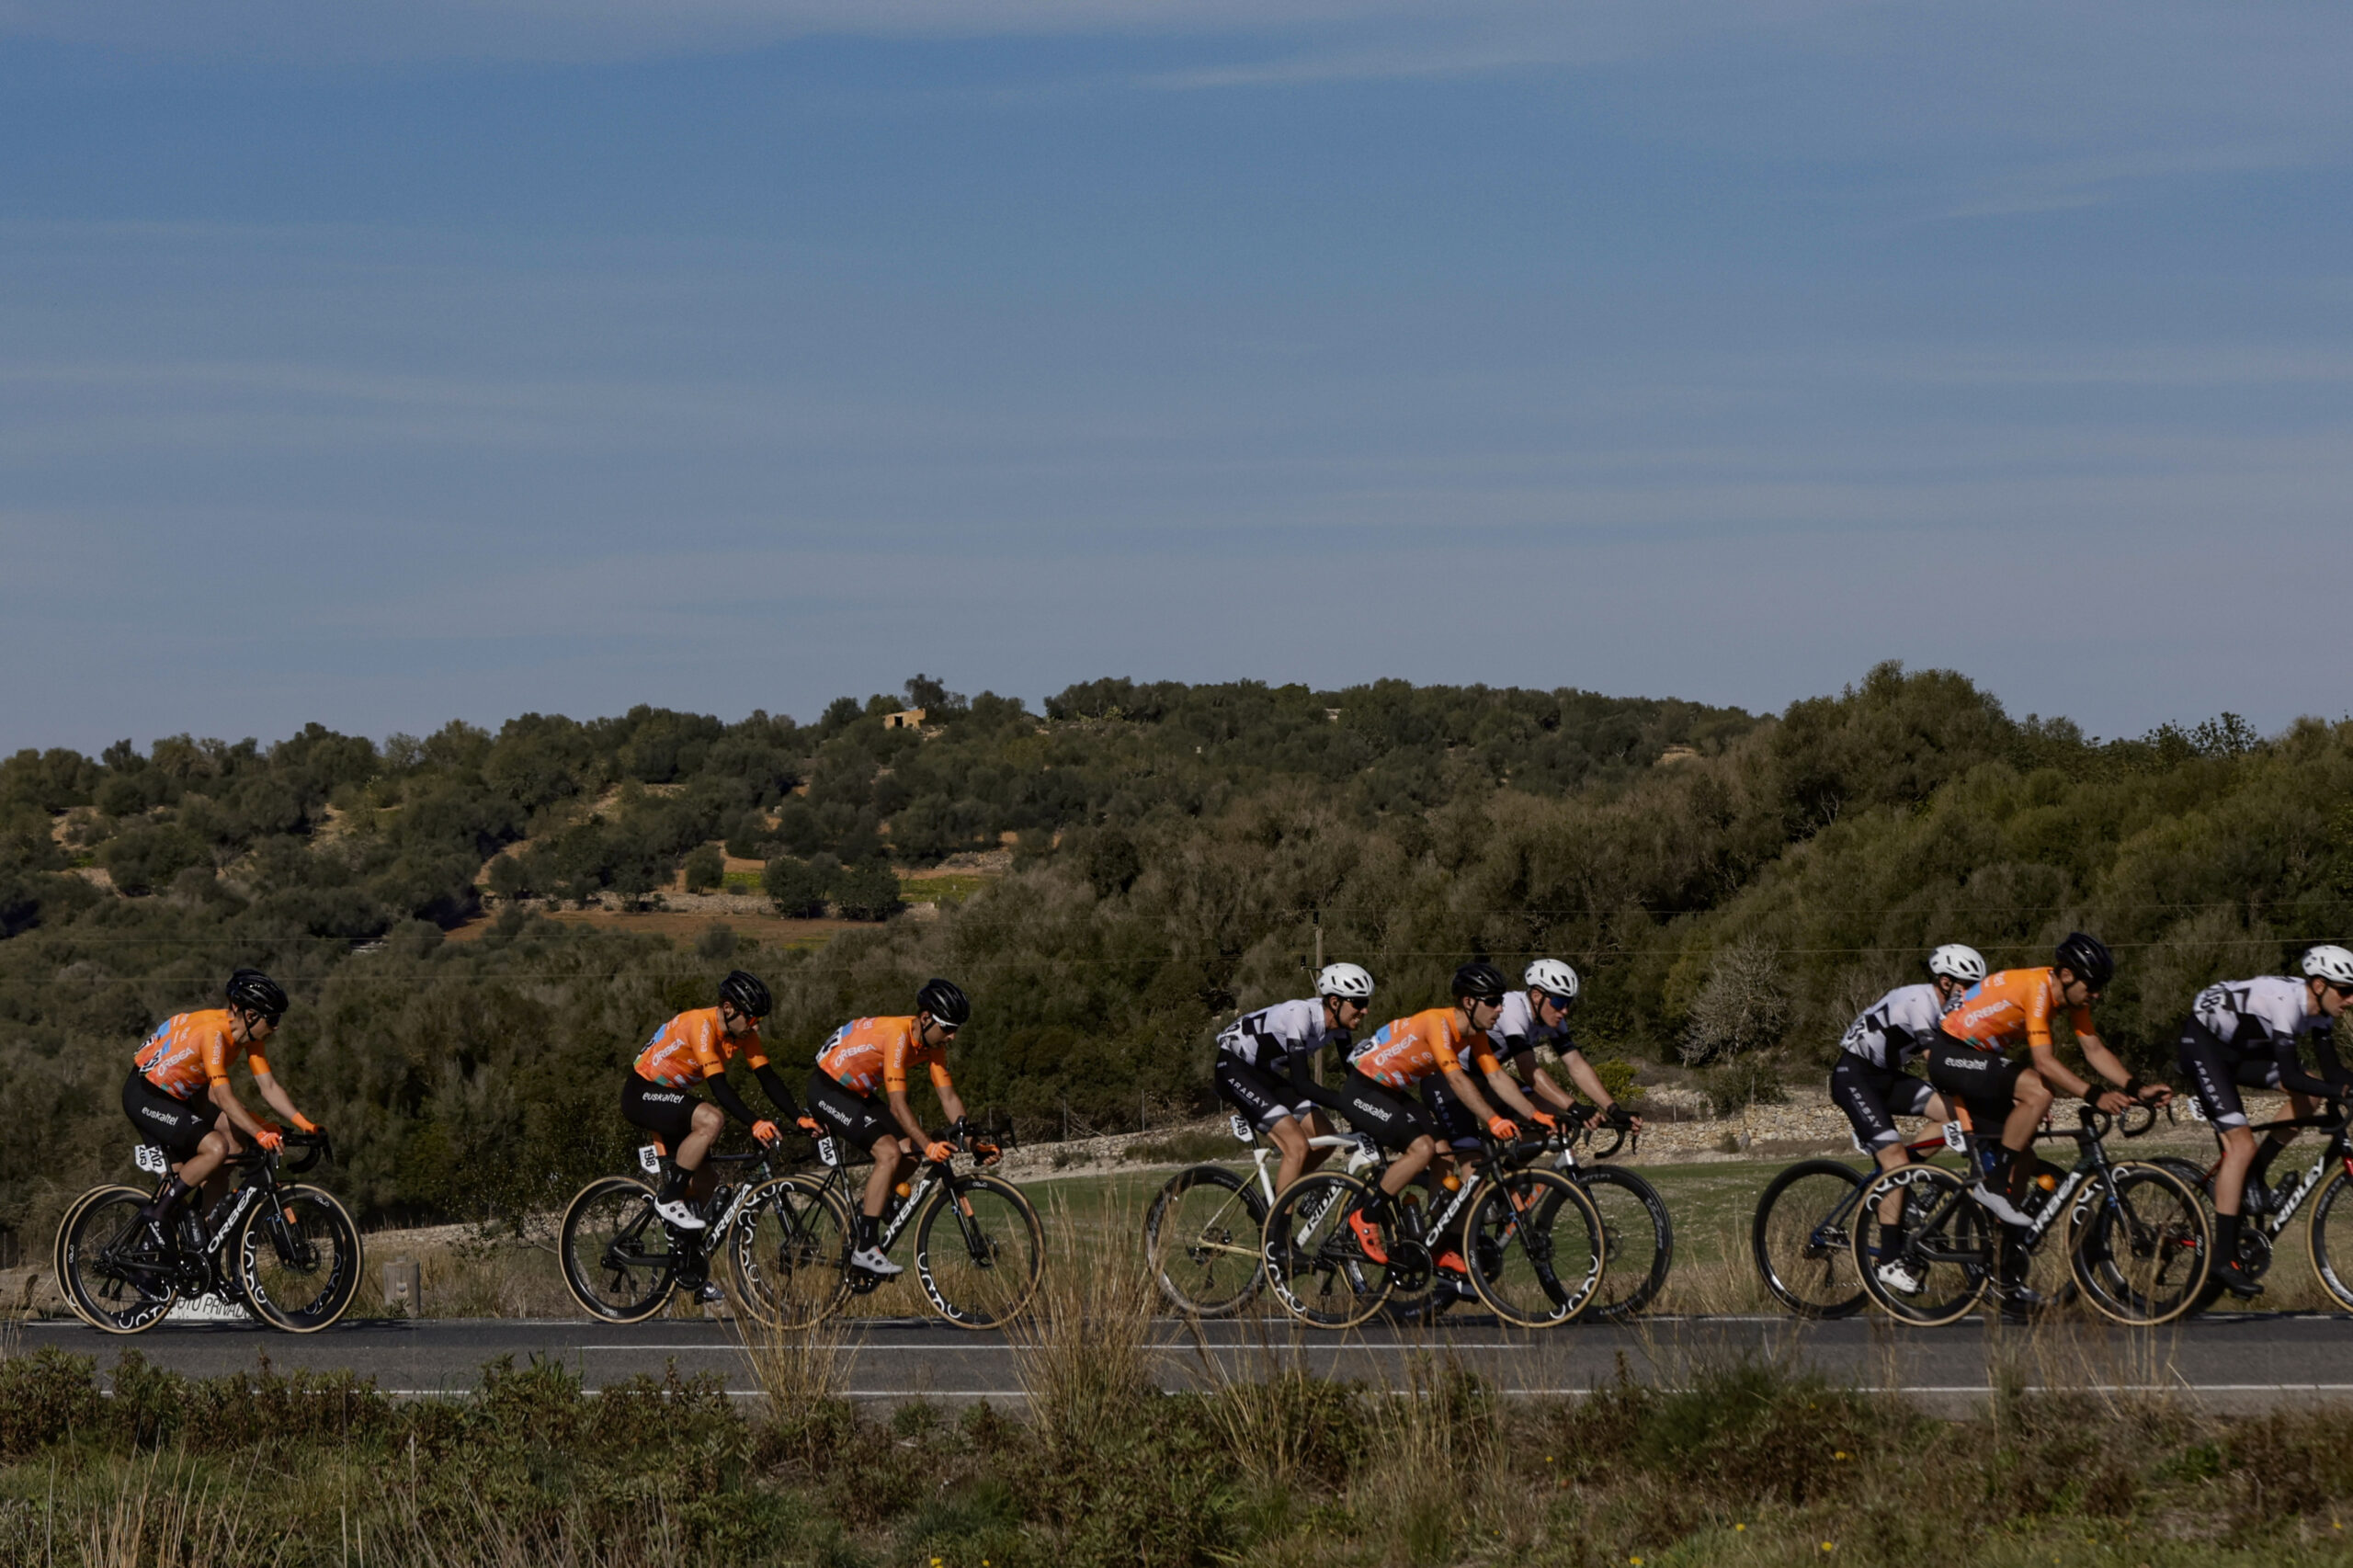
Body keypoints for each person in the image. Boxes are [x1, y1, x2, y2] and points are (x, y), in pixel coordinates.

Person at [1925, 933, 2169, 1309]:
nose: (2098, 995)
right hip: (1951, 1054)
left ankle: (2002, 1265)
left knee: (2024, 1159)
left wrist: (2136, 1087)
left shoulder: (2072, 995)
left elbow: (2093, 1048)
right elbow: (2045, 1063)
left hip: (1974, 1062)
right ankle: (1992, 1188)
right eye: (2093, 986)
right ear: (2068, 975)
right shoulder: (2038, 988)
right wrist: (2094, 1095)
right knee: (2039, 1090)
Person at [1334, 961, 1554, 1269]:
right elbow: (1456, 1079)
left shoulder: (1475, 1034)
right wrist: (1493, 1120)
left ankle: (1439, 1242)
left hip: (1392, 1092)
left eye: (1501, 1001)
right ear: (1469, 1002)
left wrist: (1535, 1114)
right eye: (1492, 1001)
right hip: (1362, 1089)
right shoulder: (1436, 1023)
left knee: (1444, 1154)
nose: (1500, 1009)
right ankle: (1366, 1217)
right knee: (1422, 1148)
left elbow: (1497, 1078)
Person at [2175, 946, 2353, 1298]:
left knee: (2313, 1094)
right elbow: (2290, 1073)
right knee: (2240, 1144)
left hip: (2239, 1051)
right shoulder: (2286, 1002)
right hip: (2203, 1045)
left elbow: (2333, 1074)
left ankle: (2254, 1177)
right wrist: (2342, 1092)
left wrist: (2344, 1088)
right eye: (2345, 990)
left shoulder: (2321, 1014)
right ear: (2319, 985)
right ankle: (2223, 1260)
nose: (2350, 1000)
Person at [806, 978, 997, 1278]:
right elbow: (897, 1106)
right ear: (925, 1018)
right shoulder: (898, 1035)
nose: (952, 1037)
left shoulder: (932, 1044)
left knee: (912, 1152)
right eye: (948, 1028)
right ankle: (866, 1249)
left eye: (956, 1029)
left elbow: (948, 1097)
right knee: (889, 1152)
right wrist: (930, 1144)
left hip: (859, 1093)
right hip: (828, 1088)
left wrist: (973, 1143)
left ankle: (865, 1211)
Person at [124, 969, 324, 1248]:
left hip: (185, 1095)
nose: (277, 1027)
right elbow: (223, 1097)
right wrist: (260, 1132)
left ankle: (205, 1247)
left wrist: (306, 1125)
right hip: (148, 1095)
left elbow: (268, 1088)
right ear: (252, 1016)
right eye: (273, 1019)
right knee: (216, 1148)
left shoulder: (250, 1037)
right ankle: (157, 1215)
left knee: (232, 1147)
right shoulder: (215, 1034)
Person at [1832, 944, 1983, 1295]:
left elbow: (1971, 1053)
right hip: (1853, 1075)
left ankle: (1904, 1180)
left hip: (1884, 1078)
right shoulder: (1919, 1001)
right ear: (1945, 982)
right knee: (1896, 1163)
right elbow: (1939, 1064)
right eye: (1967, 985)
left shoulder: (1948, 1010)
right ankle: (1888, 1263)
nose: (1972, 993)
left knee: (1958, 1115)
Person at [623, 971, 794, 1242]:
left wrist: (799, 1118)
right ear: (728, 1008)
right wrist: (754, 1122)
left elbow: (768, 1078)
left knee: (706, 1182)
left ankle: (691, 1266)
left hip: (671, 1099)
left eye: (759, 1019)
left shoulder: (742, 1033)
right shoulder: (700, 1025)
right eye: (752, 1018)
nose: (756, 1026)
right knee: (711, 1119)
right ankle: (669, 1199)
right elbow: (719, 1088)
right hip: (642, 1093)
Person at [1212, 962, 1376, 1194]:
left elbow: (1354, 1077)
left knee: (1327, 1138)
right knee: (1297, 1145)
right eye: (1358, 1003)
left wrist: (1372, 1107)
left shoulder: (1340, 1029)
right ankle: (1278, 1227)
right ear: (1334, 1002)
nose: (1365, 1010)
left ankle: (1282, 1198)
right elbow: (1302, 1084)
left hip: (1262, 1073)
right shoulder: (1300, 1015)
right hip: (1233, 1067)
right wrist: (1347, 1105)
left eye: (1366, 1003)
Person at [1483, 959, 1643, 1139]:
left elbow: (1576, 1065)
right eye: (1559, 1002)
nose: (1565, 1011)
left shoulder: (1552, 1020)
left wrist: (1613, 1109)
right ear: (1536, 995)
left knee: (1547, 1113)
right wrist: (1574, 1107)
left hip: (1486, 1076)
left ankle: (1509, 1168)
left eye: (1569, 1003)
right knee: (1464, 1148)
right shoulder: (1512, 1008)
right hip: (1456, 1074)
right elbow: (1528, 1070)